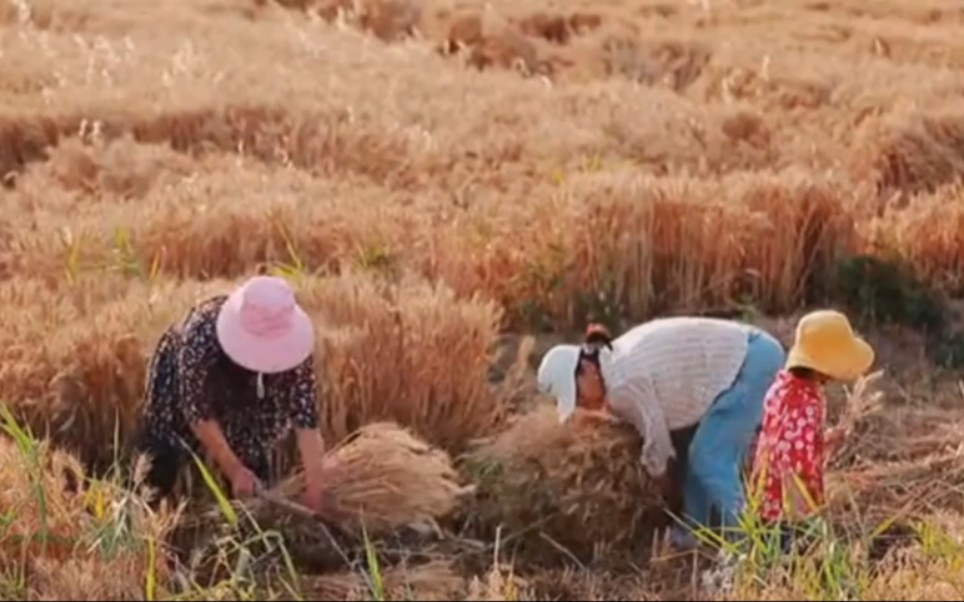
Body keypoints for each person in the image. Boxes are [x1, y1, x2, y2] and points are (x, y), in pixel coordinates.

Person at [536, 317, 786, 550]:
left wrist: (665, 488)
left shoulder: (622, 384)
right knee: (696, 452)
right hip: (750, 351)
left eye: (578, 395)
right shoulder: (613, 360)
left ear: (587, 368)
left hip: (750, 363)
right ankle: (695, 530)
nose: (583, 405)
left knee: (709, 457)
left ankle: (748, 543)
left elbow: (658, 443)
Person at [132, 275, 328, 513]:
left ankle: (248, 526)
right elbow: (198, 413)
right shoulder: (200, 335)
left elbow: (307, 425)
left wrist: (315, 493)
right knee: (163, 455)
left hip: (250, 391)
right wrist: (233, 469)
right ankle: (144, 518)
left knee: (253, 468)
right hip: (186, 383)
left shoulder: (294, 352)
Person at [749, 310, 874, 551]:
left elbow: (785, 443)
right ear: (824, 366)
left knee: (767, 564)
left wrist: (825, 440)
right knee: (792, 567)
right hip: (788, 514)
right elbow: (798, 462)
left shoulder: (782, 387)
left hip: (764, 500)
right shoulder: (807, 403)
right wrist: (810, 510)